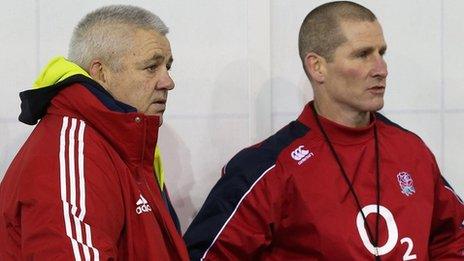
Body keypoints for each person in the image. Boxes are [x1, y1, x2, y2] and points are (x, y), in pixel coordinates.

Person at [184, 1, 464, 260]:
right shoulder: (267, 168)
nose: (381, 68)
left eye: (382, 53)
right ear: (317, 67)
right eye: (362, 55)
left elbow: (453, 237)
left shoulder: (410, 149)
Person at [0, 5, 189, 260]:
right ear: (100, 72)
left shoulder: (131, 145)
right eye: (151, 67)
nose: (168, 82)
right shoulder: (70, 152)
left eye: (168, 66)